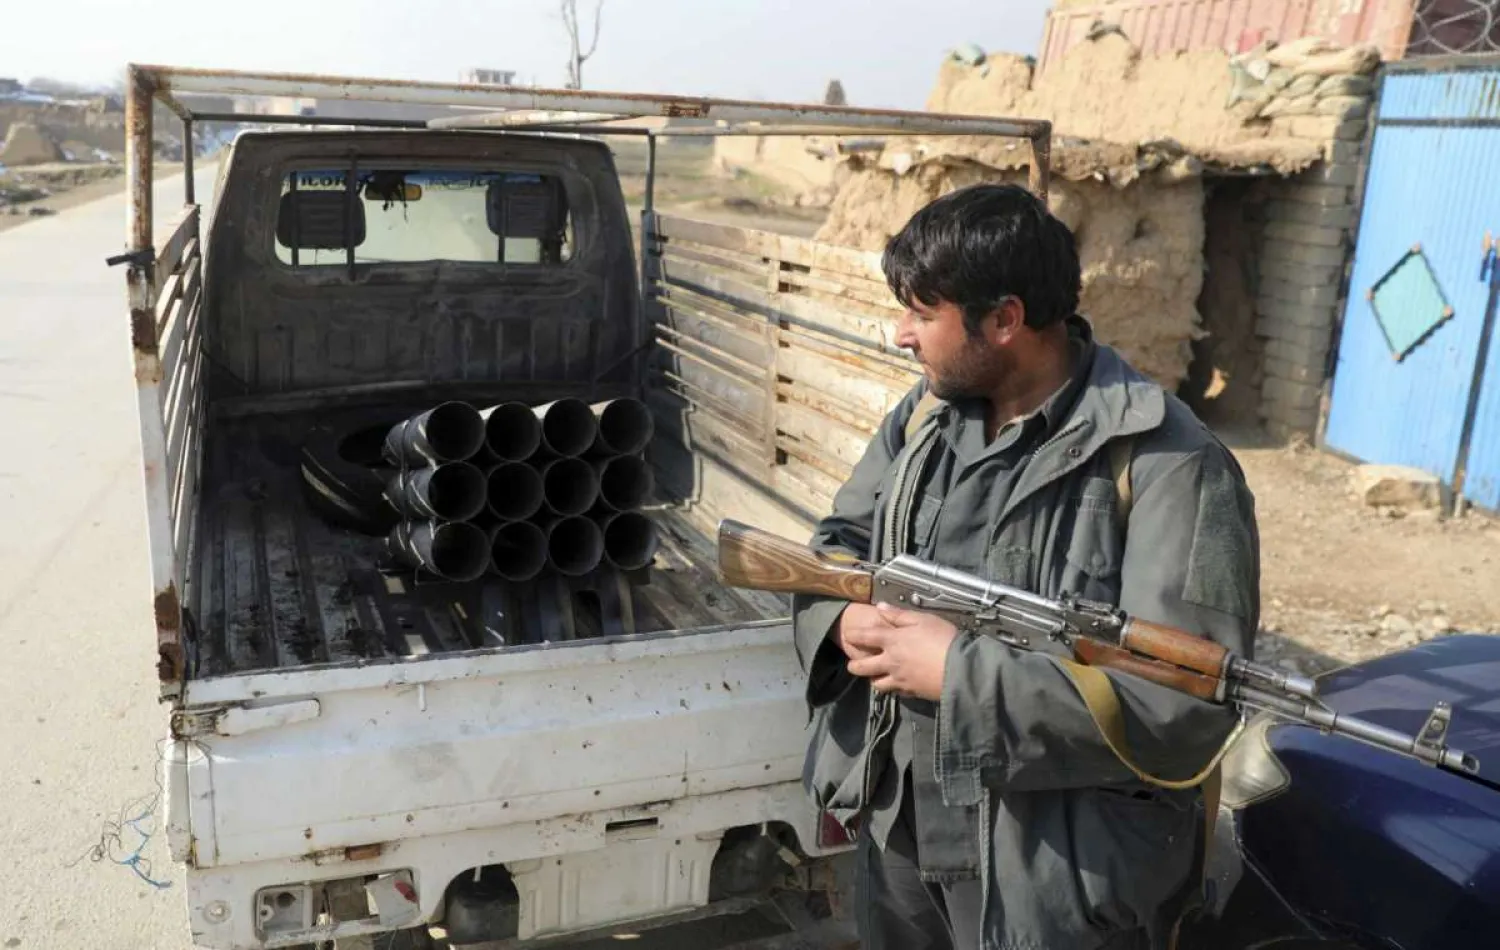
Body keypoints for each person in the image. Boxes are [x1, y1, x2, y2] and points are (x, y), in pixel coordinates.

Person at [791, 183, 1261, 950]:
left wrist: (959, 676)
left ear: (1005, 320)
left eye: (922, 313)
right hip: (898, 830)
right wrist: (845, 617)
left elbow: (1182, 709)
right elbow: (835, 544)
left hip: (1046, 877)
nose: (900, 334)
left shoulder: (1170, 465)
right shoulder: (925, 416)